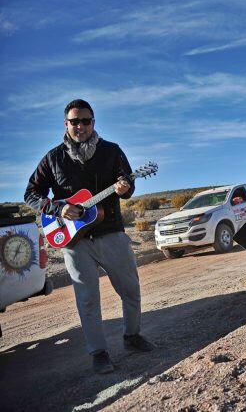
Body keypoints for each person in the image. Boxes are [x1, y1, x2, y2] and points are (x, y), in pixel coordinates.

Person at [24, 99, 153, 375]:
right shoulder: (52, 158)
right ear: (66, 124)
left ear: (94, 123)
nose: (80, 126)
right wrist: (58, 208)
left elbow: (127, 186)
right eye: (75, 121)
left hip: (111, 233)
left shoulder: (112, 151)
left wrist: (125, 187)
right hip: (73, 240)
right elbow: (31, 194)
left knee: (130, 289)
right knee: (87, 298)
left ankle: (132, 336)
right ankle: (99, 352)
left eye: (86, 121)